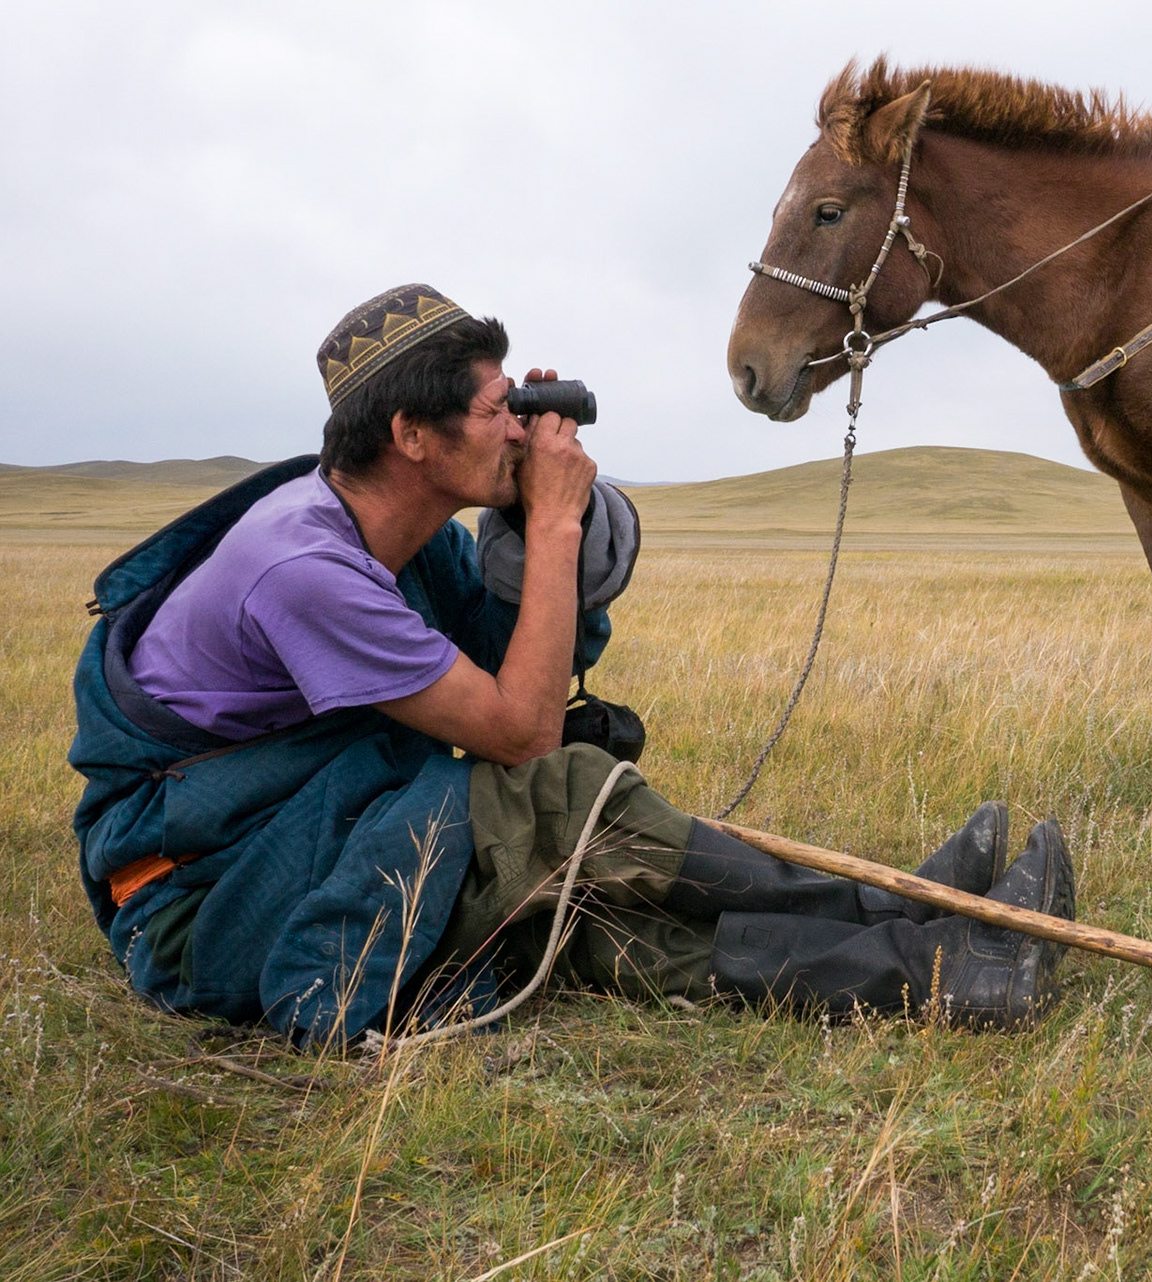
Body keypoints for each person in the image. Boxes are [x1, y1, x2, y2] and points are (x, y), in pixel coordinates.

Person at [69, 283, 1074, 1046]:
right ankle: (905, 908)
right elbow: (523, 733)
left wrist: (533, 532)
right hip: (210, 900)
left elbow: (513, 658)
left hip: (308, 841)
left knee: (578, 909)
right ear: (411, 435)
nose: (521, 426)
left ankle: (944, 969)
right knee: (558, 798)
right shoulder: (304, 568)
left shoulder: (404, 543)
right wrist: (551, 524)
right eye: (497, 408)